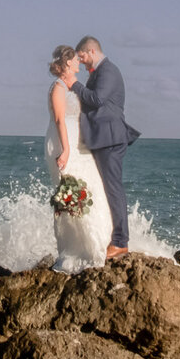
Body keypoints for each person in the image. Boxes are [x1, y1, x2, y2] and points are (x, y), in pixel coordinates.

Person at [70, 36, 140, 258]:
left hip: (110, 139)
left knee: (114, 189)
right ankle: (112, 237)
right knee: (107, 189)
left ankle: (120, 241)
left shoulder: (108, 71)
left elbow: (97, 99)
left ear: (90, 51)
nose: (81, 62)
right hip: (101, 139)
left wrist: (74, 85)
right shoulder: (99, 73)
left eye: (81, 57)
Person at [44, 44, 112, 271]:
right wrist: (66, 150)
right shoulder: (58, 88)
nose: (79, 63)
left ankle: (99, 244)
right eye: (75, 60)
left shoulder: (71, 87)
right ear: (66, 64)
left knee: (92, 189)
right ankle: (76, 250)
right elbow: (60, 120)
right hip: (65, 144)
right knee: (72, 195)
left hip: (78, 143)